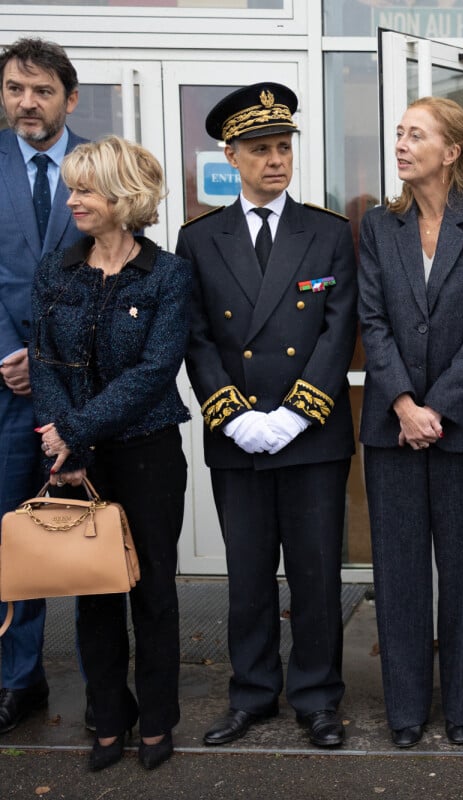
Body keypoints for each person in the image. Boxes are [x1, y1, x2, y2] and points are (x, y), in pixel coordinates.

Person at [177, 83, 358, 749]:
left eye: (283, 147)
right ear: (231, 155)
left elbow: (339, 333)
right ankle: (251, 694)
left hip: (311, 437)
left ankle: (317, 698)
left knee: (315, 574)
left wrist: (293, 415)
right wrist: (235, 416)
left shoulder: (330, 232)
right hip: (238, 437)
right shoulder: (199, 239)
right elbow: (195, 336)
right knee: (248, 576)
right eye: (261, 149)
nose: (276, 160)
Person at [30, 136, 190, 771]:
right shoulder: (56, 270)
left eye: (84, 189)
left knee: (151, 588)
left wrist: (73, 430)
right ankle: (108, 716)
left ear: (124, 197)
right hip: (76, 457)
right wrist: (63, 436)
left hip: (146, 454)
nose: (72, 201)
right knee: (92, 592)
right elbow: (42, 358)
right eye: (72, 188)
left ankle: (156, 717)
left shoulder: (169, 274)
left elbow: (154, 371)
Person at [357, 96, 463, 749]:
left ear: (451, 151)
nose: (401, 144)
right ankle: (406, 710)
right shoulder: (376, 226)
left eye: (415, 135)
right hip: (392, 428)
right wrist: (403, 404)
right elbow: (374, 321)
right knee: (398, 573)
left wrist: (437, 407)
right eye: (398, 133)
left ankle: (462, 709)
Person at [0, 36, 89, 738]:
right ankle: (17, 678)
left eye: (41, 90)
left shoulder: (97, 168)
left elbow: (119, 267)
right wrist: (9, 351)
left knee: (88, 535)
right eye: (14, 89)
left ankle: (105, 689)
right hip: (3, 389)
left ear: (69, 98)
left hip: (80, 390)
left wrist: (51, 357)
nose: (27, 102)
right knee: (12, 545)